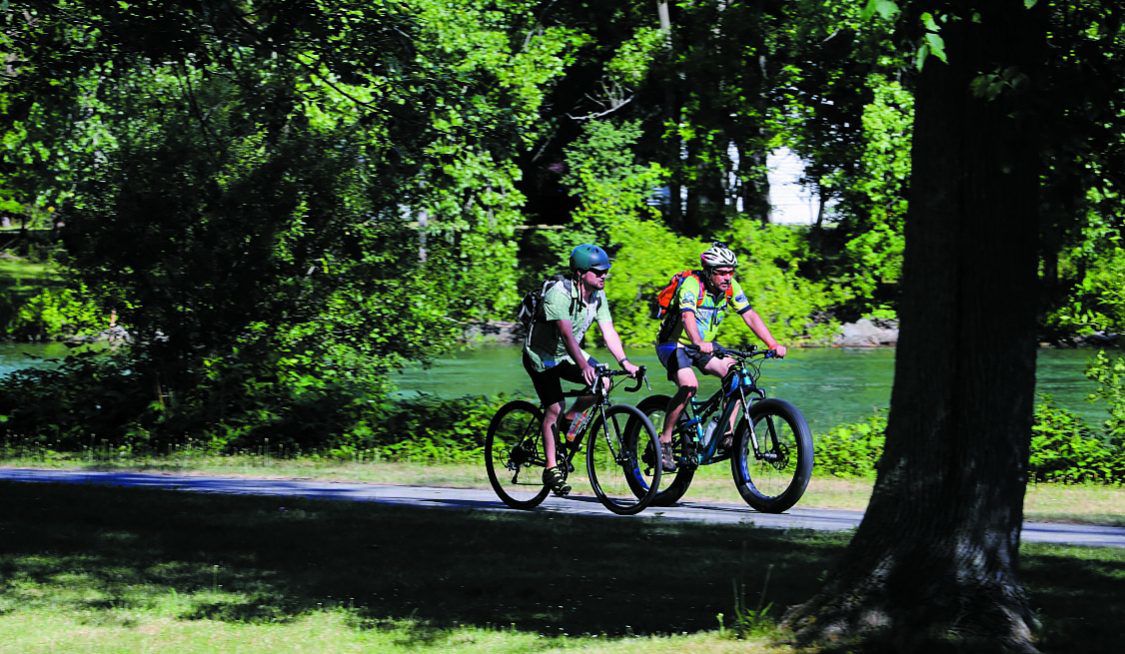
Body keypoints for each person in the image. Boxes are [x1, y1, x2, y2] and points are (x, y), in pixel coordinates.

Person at [654, 242, 787, 471]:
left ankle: (726, 432)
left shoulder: (731, 288)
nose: (727, 277)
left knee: (737, 377)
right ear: (708, 271)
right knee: (688, 386)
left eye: (731, 272)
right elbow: (687, 317)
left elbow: (750, 316)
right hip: (674, 344)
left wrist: (772, 343)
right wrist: (697, 342)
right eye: (722, 273)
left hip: (703, 345)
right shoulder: (692, 285)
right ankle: (664, 440)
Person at [523, 244, 641, 496]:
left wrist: (625, 362)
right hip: (541, 356)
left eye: (606, 271)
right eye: (598, 271)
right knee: (554, 406)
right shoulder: (559, 294)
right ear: (579, 273)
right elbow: (566, 335)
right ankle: (551, 467)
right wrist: (584, 365)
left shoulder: (598, 296)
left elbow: (608, 332)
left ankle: (570, 419)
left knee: (604, 383)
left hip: (567, 354)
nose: (604, 275)